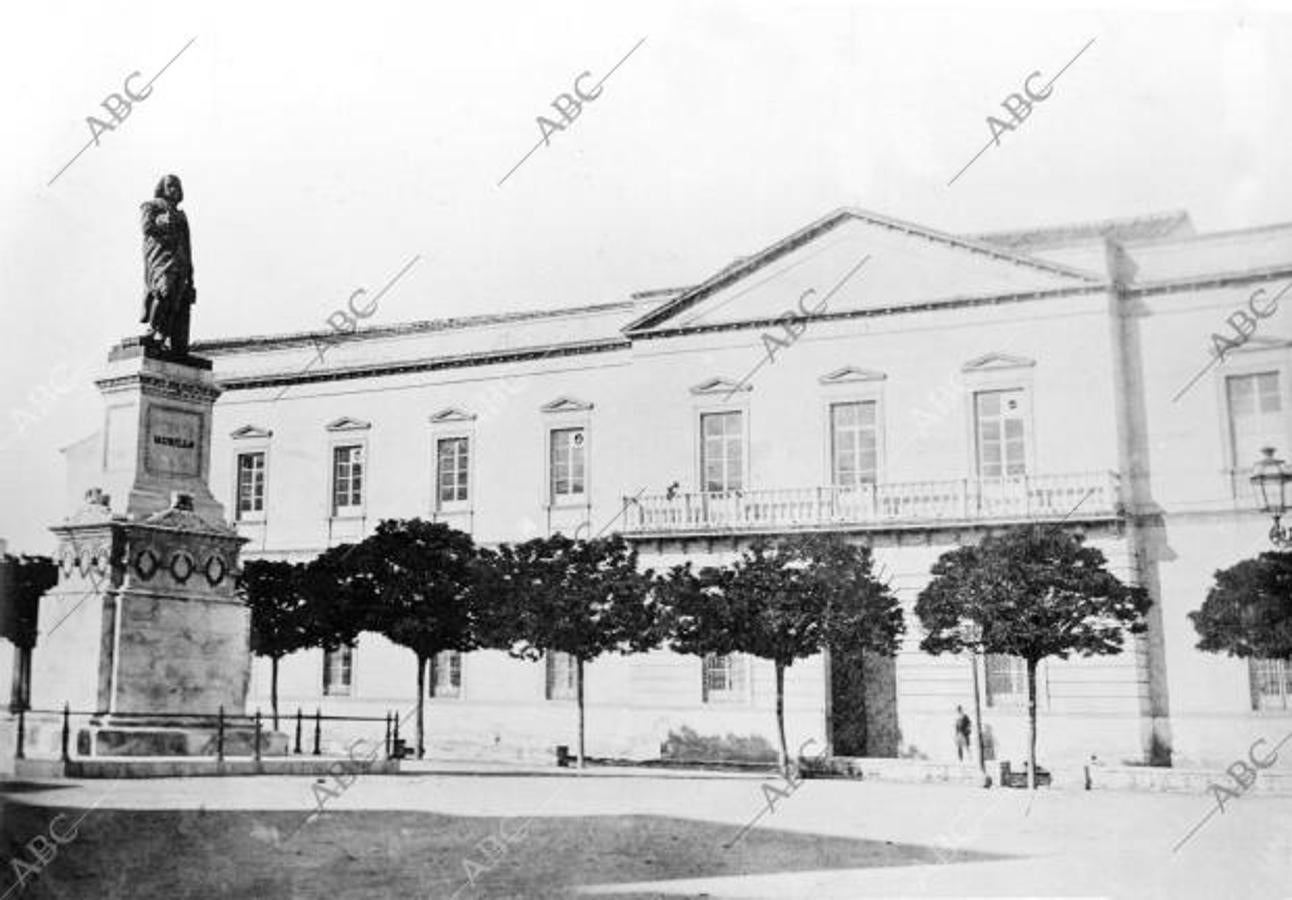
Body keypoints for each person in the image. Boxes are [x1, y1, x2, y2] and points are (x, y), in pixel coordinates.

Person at [141, 174, 197, 355]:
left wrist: (190, 272)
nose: (174, 189)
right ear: (162, 188)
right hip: (161, 259)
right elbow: (146, 228)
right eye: (170, 185)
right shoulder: (152, 206)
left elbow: (188, 244)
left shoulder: (181, 216)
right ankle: (152, 329)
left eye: (177, 186)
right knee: (162, 292)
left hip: (180, 261)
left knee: (175, 302)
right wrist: (163, 221)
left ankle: (162, 336)